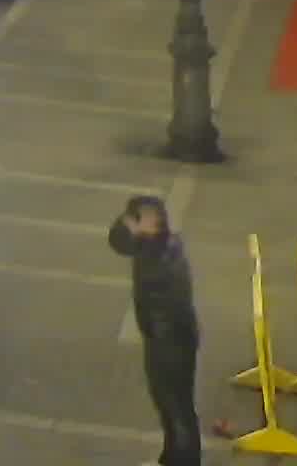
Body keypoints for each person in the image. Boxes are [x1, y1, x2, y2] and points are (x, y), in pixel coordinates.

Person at [110, 195, 201, 466]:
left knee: (176, 408)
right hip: (164, 338)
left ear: (149, 224)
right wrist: (130, 224)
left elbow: (122, 243)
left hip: (170, 343)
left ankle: (184, 461)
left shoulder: (157, 257)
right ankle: (170, 459)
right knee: (169, 405)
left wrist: (132, 228)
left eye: (133, 219)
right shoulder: (160, 243)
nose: (129, 225)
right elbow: (117, 241)